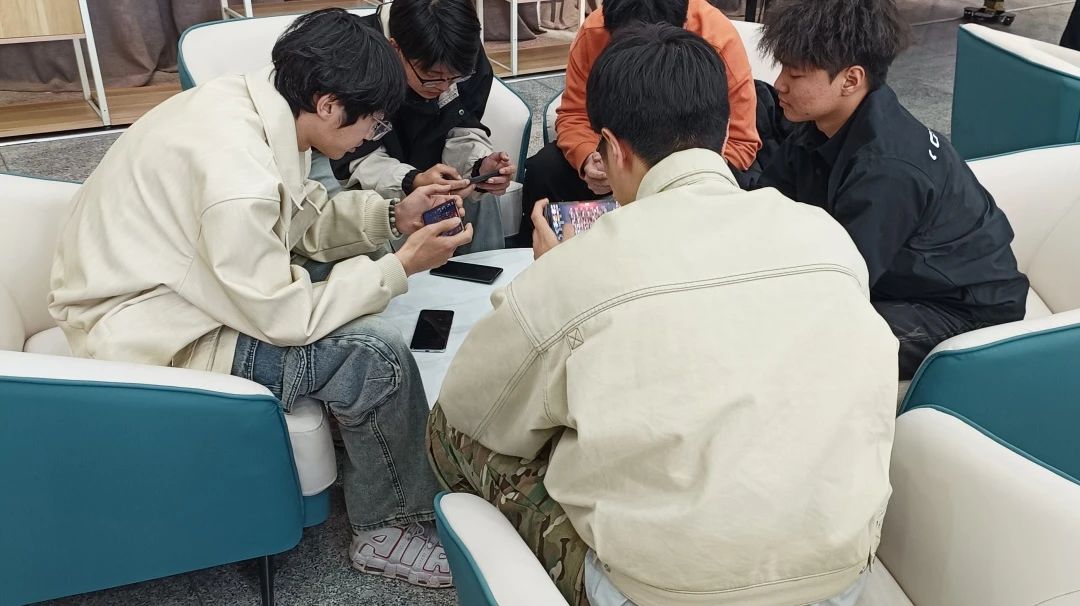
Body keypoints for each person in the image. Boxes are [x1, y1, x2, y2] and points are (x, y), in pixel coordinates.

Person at [429, 23, 898, 606]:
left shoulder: (579, 269)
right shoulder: (824, 233)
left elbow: (471, 406)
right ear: (722, 131)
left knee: (449, 429)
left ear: (612, 147)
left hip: (661, 591)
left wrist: (548, 284)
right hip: (840, 577)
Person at [48, 9, 468, 589]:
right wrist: (400, 266)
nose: (372, 135)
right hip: (151, 335)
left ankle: (371, 444)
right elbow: (284, 315)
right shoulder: (237, 178)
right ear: (328, 105)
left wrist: (392, 216)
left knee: (356, 283)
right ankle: (387, 527)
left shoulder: (254, 106)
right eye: (372, 123)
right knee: (376, 354)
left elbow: (294, 222)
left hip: (166, 289)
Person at [754, 0, 1028, 379]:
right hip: (896, 280)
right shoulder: (820, 125)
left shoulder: (887, 170)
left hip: (962, 311)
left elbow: (840, 282)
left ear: (851, 79)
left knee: (799, 343)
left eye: (795, 75)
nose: (779, 84)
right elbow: (764, 204)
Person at [515, 0, 761, 245]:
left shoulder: (718, 39)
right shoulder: (594, 32)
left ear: (681, 26)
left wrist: (663, 179)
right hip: (615, 158)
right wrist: (589, 157)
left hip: (689, 171)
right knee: (545, 169)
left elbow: (741, 141)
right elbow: (574, 115)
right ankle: (536, 254)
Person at [330, 0, 516, 252]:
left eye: (455, 78)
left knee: (477, 196)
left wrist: (479, 167)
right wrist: (411, 180)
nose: (444, 86)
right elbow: (351, 158)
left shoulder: (462, 52)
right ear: (395, 48)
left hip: (430, 162)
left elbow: (462, 122)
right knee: (377, 213)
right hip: (350, 162)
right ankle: (398, 274)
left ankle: (490, 273)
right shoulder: (356, 55)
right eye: (431, 78)